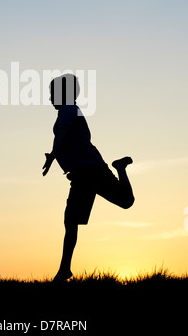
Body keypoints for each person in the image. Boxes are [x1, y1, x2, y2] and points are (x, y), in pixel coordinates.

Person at [42, 73, 135, 282]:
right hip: (82, 173)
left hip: (90, 170)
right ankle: (64, 270)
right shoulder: (68, 111)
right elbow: (64, 139)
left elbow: (64, 136)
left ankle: (120, 168)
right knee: (71, 220)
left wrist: (53, 155)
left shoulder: (68, 110)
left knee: (126, 202)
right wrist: (53, 155)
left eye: (52, 94)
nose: (49, 98)